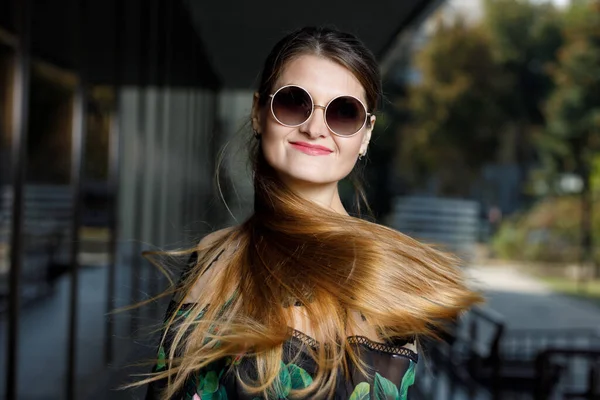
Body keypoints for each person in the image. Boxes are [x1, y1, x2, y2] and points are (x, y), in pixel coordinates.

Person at [141, 26, 481, 400]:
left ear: (366, 134)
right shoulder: (210, 256)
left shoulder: (384, 275)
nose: (315, 128)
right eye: (293, 103)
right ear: (258, 112)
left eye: (344, 112)